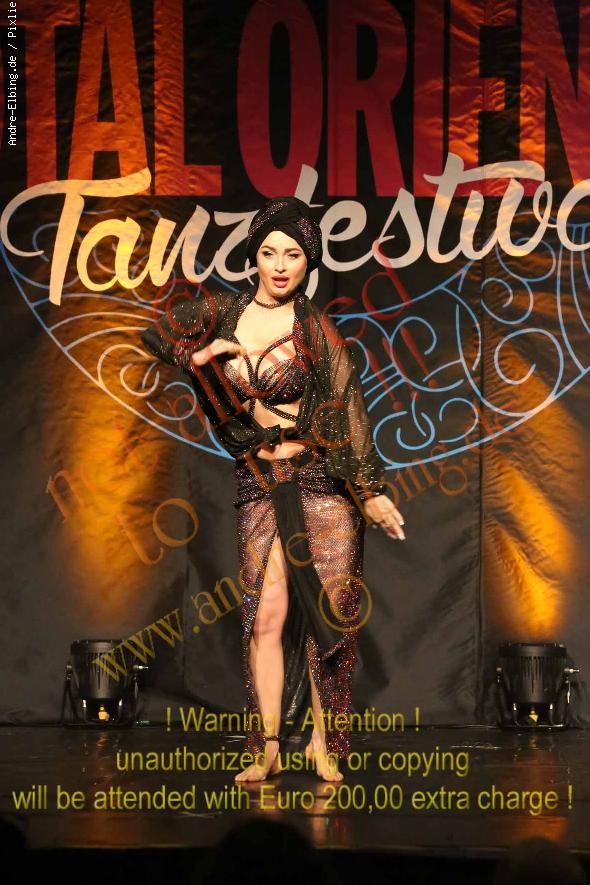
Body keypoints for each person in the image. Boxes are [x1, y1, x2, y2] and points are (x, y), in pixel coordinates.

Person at [140, 196, 405, 783]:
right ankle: (267, 746)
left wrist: (370, 489)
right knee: (265, 616)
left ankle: (324, 742)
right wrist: (199, 355)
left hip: (321, 482)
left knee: (329, 615)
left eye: (293, 255)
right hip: (259, 482)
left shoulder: (316, 329)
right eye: (269, 252)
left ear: (309, 262)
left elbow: (349, 409)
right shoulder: (224, 312)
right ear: (254, 256)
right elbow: (155, 334)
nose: (280, 265)